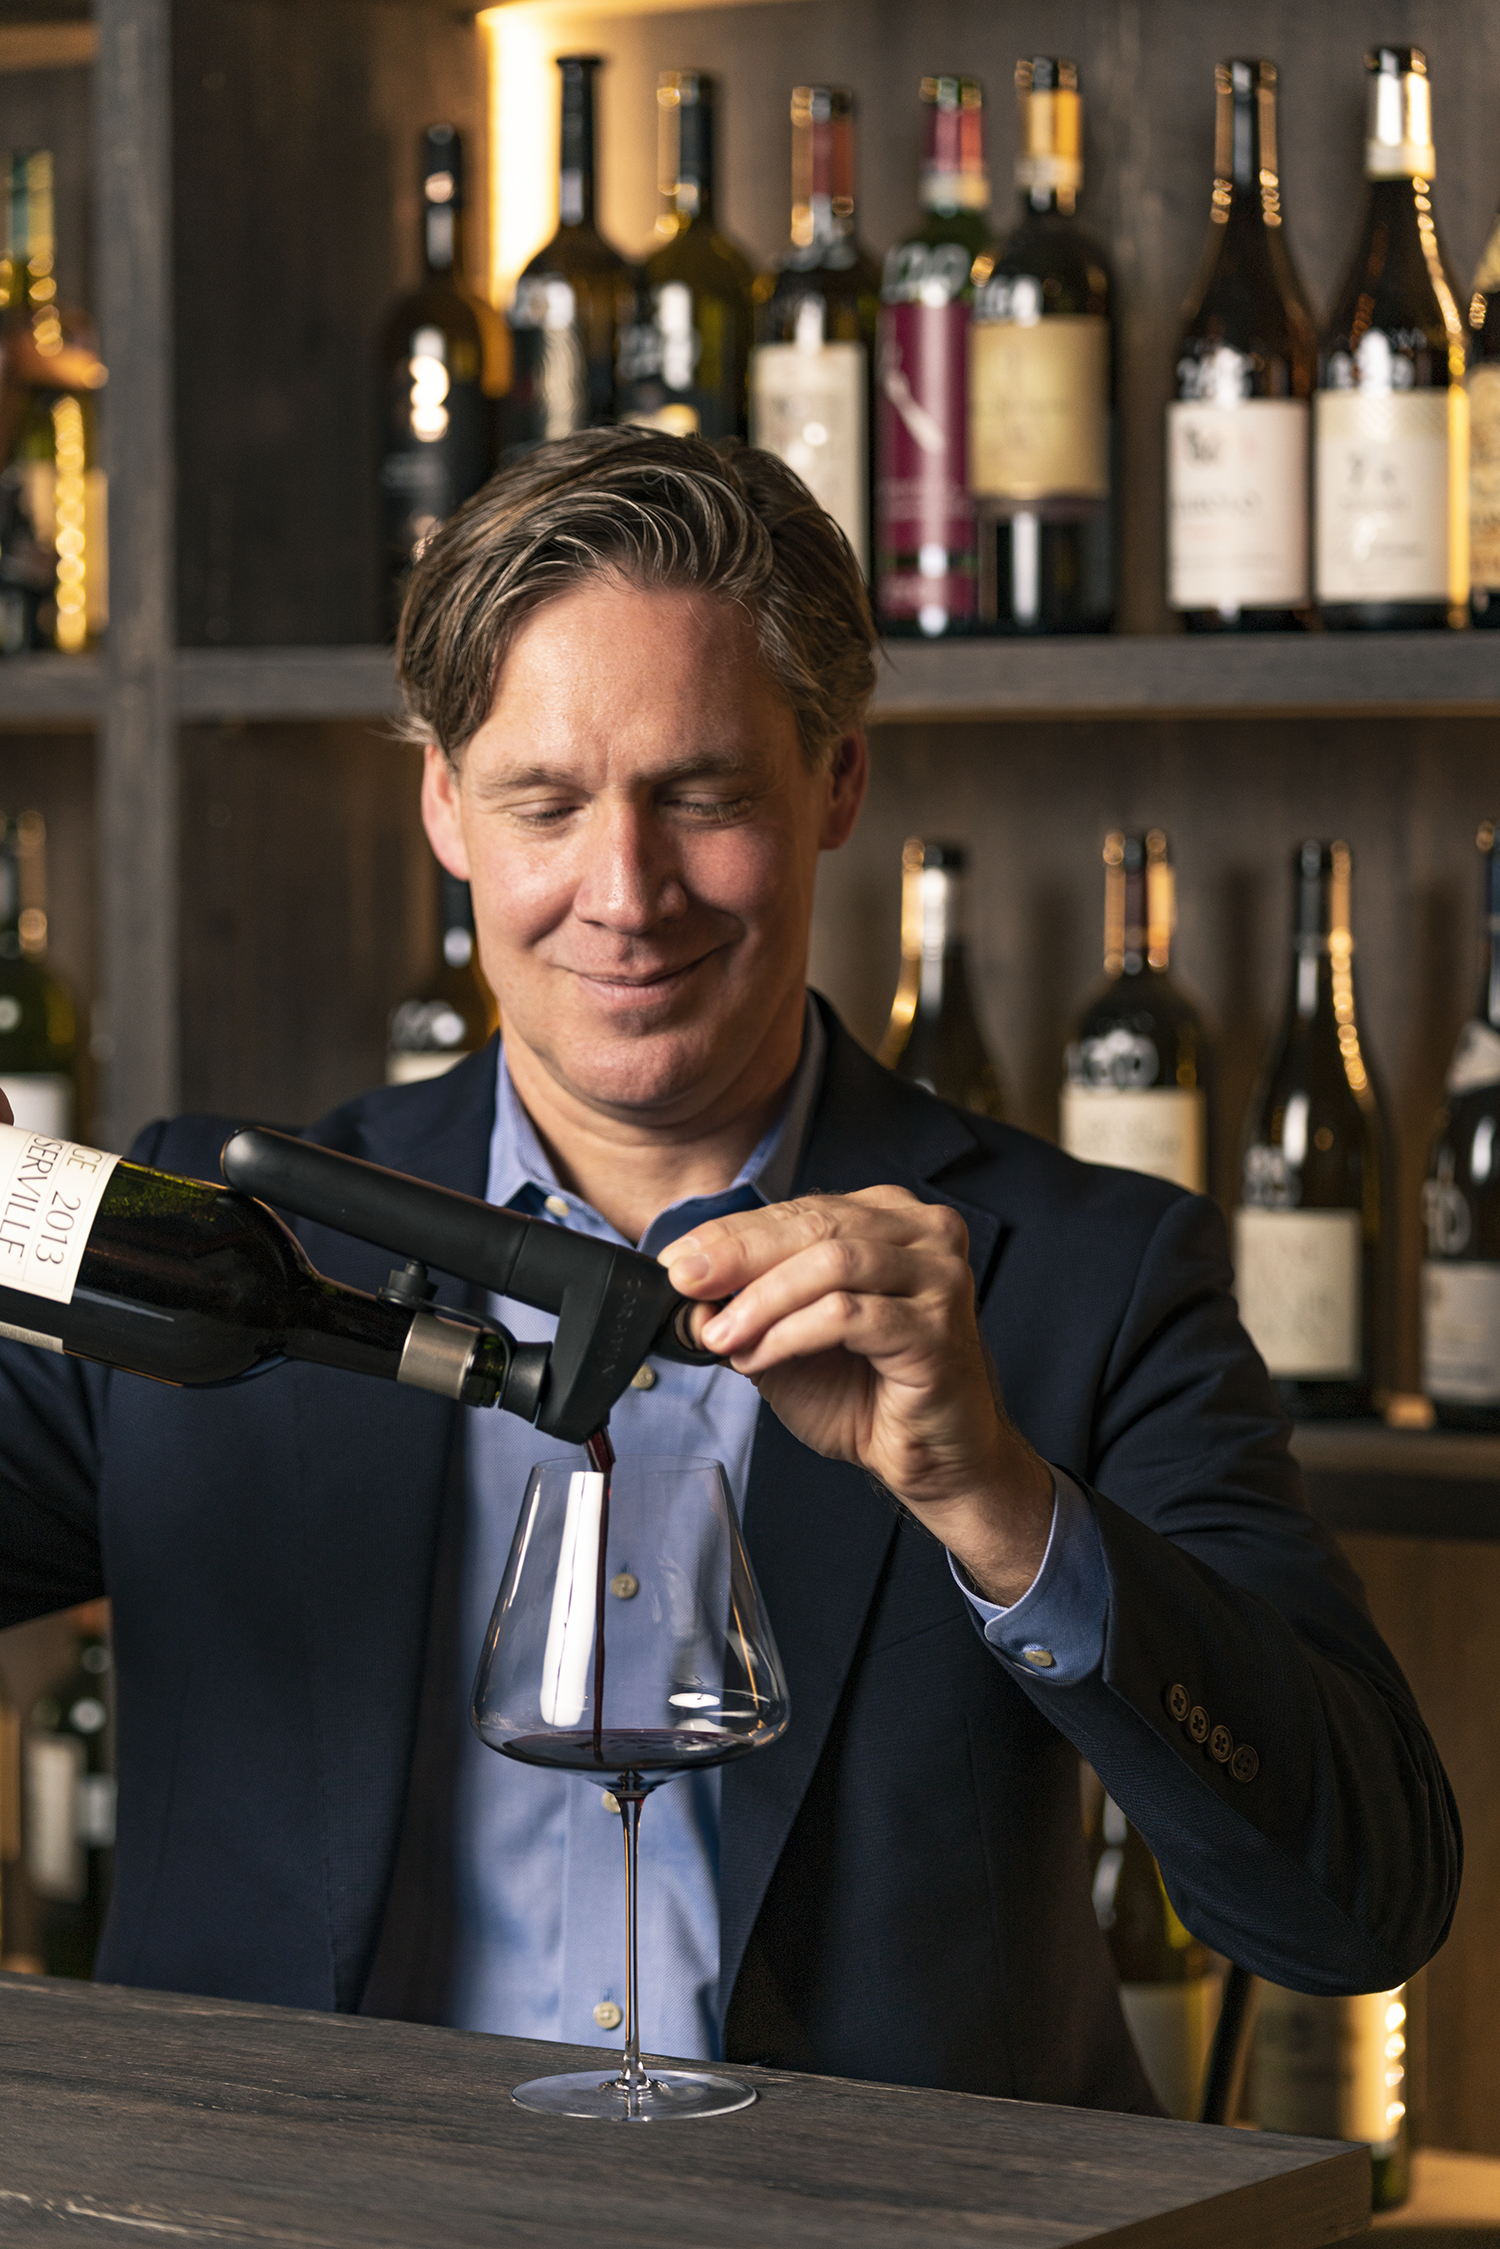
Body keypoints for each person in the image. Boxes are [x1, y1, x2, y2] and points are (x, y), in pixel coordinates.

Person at [0, 432, 1459, 2112]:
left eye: (702, 797)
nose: (625, 895)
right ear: (442, 807)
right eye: (544, 803)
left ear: (836, 780)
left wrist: (993, 1494)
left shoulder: (1084, 1278)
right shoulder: (213, 1246)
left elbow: (1362, 1905)